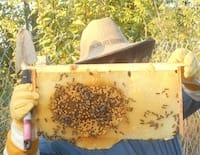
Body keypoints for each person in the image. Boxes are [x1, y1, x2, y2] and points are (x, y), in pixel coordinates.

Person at [4, 17, 200, 155]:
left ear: (134, 63)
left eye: (122, 62)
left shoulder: (157, 104)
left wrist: (190, 80)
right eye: (102, 66)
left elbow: (193, 97)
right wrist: (23, 130)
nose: (112, 74)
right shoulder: (63, 134)